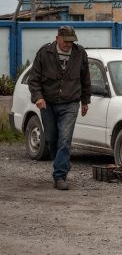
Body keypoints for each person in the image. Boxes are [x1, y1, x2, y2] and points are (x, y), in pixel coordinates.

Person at [27, 25, 91, 190]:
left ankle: (60, 176)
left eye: (71, 41)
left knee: (65, 139)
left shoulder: (80, 53)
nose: (68, 44)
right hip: (47, 103)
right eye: (66, 41)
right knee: (52, 139)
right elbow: (33, 79)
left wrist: (85, 101)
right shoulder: (44, 53)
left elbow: (85, 79)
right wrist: (38, 97)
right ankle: (62, 163)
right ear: (57, 38)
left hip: (70, 103)